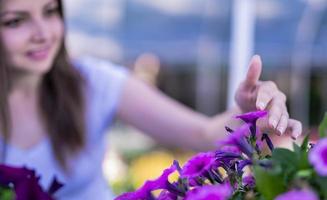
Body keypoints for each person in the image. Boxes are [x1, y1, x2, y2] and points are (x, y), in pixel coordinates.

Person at [0, 0, 302, 199]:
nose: (43, 33)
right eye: (16, 21)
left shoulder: (93, 83)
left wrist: (247, 112)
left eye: (50, 11)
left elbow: (203, 134)